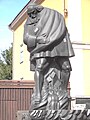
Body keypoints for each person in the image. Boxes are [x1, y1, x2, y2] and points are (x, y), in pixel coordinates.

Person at [23, 3, 75, 103]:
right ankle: (38, 93)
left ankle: (63, 91)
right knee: (40, 67)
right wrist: (38, 38)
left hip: (58, 44)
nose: (32, 16)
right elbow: (26, 38)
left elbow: (60, 26)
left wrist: (53, 37)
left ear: (38, 11)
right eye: (30, 14)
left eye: (33, 13)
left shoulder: (52, 15)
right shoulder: (29, 21)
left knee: (66, 67)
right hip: (43, 47)